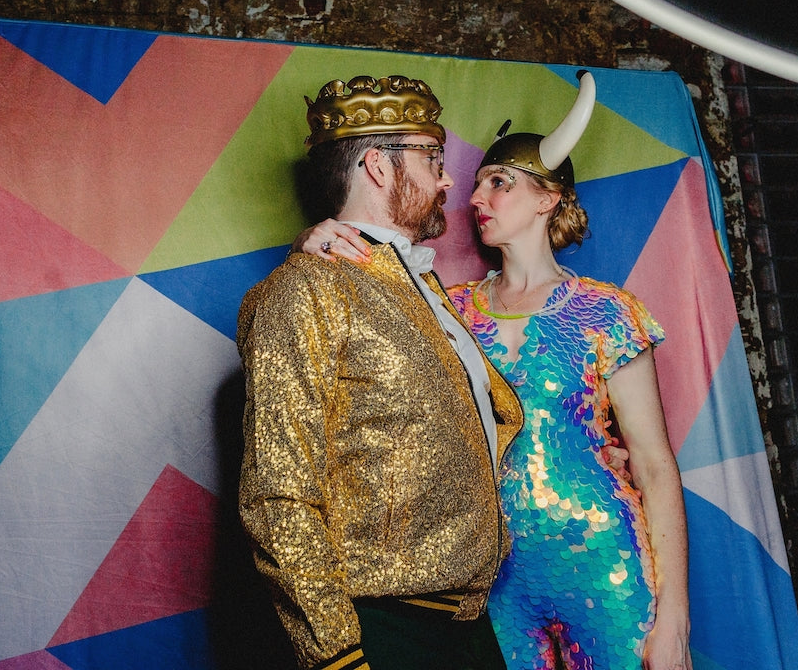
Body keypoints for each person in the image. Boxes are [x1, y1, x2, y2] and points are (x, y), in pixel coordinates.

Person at [298, 72, 693, 670]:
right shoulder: (446, 308)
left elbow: (656, 465)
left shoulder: (607, 312)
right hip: (493, 584)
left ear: (548, 197)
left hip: (605, 564)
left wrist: (675, 620)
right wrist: (321, 239)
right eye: (477, 184)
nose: (475, 198)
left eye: (499, 183)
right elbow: (361, 308)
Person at [237, 74, 525, 670]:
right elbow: (277, 494)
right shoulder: (306, 288)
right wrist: (338, 655)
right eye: (432, 159)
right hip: (378, 628)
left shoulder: (423, 289)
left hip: (465, 624)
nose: (448, 180)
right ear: (377, 165)